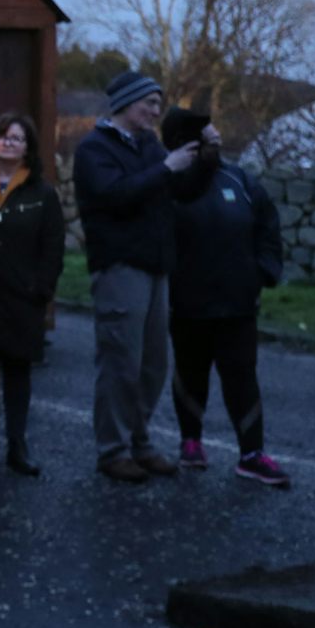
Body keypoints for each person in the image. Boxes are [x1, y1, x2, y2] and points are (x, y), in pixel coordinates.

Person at [72, 70, 202, 483]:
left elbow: (179, 192)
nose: (155, 111)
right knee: (121, 363)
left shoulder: (149, 145)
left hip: (156, 266)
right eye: (149, 103)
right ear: (127, 103)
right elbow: (115, 195)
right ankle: (113, 450)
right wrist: (167, 168)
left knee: (152, 365)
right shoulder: (95, 149)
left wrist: (204, 156)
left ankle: (140, 444)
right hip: (120, 266)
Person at [162, 108, 291, 488]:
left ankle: (251, 454)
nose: (216, 143)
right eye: (209, 139)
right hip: (187, 303)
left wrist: (264, 270)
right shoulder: (168, 181)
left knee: (242, 376)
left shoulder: (240, 179)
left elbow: (269, 225)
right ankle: (191, 443)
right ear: (189, 143)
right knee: (190, 373)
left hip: (237, 302)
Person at [0, 112, 65, 476]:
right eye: (3, 136)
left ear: (28, 147)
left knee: (17, 373)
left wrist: (41, 290)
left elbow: (53, 248)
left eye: (17, 138)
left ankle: (17, 446)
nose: (9, 143)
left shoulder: (42, 192)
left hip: (22, 300)